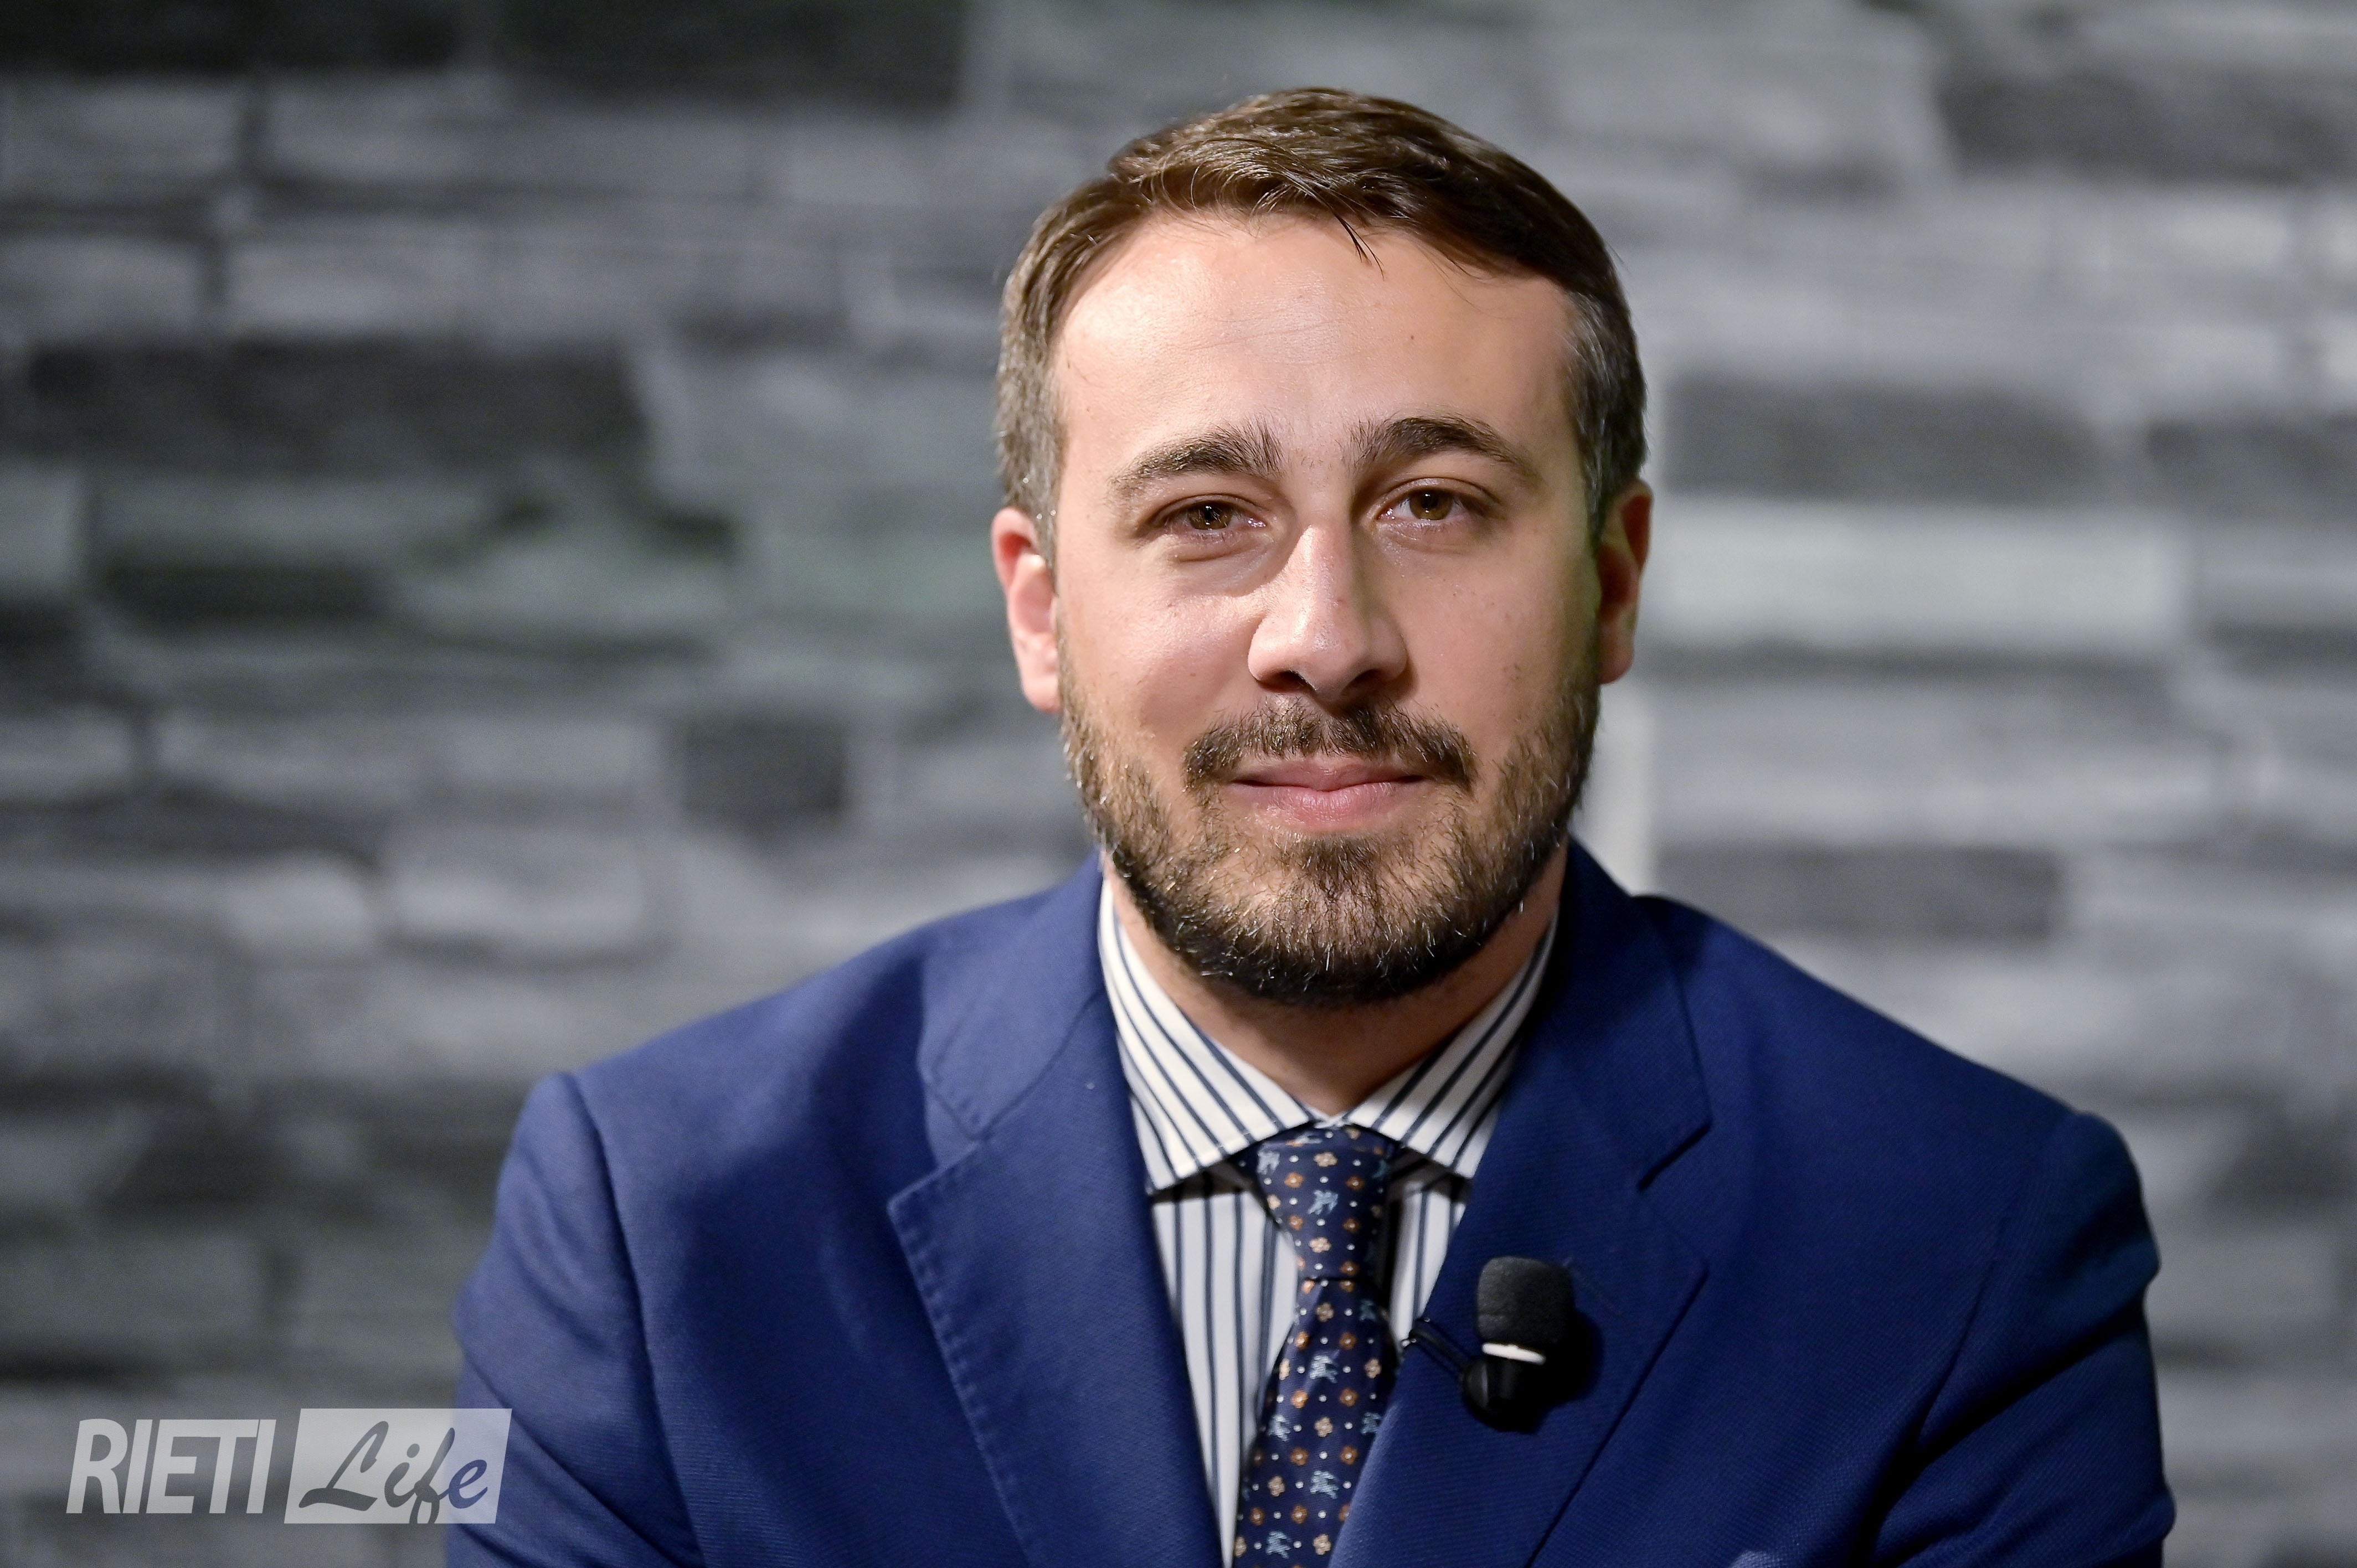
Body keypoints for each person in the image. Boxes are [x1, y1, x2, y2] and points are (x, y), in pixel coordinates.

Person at [451, 89, 2171, 1568]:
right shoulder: (656, 1225)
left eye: (1436, 504)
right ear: (1042, 614)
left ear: (1614, 580)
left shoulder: (1965, 1241)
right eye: (1209, 515)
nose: (1327, 639)